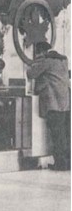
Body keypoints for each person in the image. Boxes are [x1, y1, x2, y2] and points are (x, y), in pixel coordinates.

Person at [27, 41, 71, 171]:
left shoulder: (46, 60)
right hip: (66, 102)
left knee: (57, 135)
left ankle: (61, 164)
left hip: (53, 102)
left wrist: (39, 59)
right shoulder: (63, 60)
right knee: (66, 134)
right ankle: (68, 163)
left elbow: (30, 73)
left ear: (41, 52)